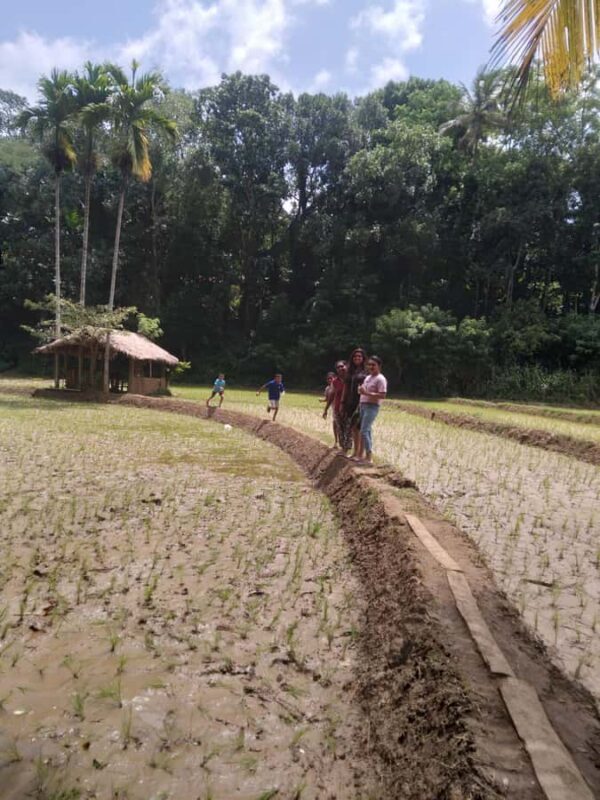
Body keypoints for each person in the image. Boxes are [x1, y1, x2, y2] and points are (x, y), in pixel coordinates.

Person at [358, 355, 387, 465]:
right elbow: (364, 391)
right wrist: (361, 391)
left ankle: (369, 458)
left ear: (379, 366)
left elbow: (383, 395)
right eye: (369, 364)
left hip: (372, 406)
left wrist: (367, 393)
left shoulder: (381, 379)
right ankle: (367, 456)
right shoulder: (368, 377)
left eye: (373, 365)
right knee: (367, 430)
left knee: (364, 431)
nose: (370, 367)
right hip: (363, 405)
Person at [340, 347, 367, 458]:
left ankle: (361, 453)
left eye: (359, 356)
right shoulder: (349, 371)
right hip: (350, 402)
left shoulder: (366, 371)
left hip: (361, 402)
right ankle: (355, 452)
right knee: (354, 428)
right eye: (355, 356)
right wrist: (342, 402)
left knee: (361, 427)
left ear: (363, 358)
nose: (357, 358)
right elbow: (345, 388)